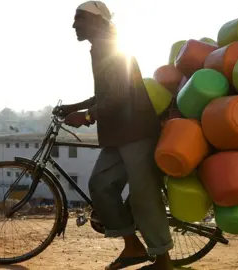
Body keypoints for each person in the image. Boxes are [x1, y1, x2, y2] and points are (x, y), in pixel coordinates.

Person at [55, 2, 174, 269]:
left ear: (97, 21)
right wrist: (75, 107)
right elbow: (107, 94)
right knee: (100, 186)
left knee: (144, 198)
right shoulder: (100, 48)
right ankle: (133, 248)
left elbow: (120, 95)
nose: (74, 25)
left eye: (80, 18)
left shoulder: (111, 47)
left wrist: (87, 116)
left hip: (137, 132)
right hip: (118, 135)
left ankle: (163, 261)